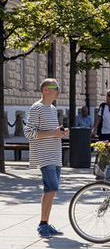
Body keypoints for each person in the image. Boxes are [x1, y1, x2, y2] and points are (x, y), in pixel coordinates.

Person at [24, 78, 68, 238]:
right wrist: (53, 133)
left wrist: (61, 133)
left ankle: (45, 223)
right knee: (52, 188)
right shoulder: (37, 108)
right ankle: (43, 225)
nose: (58, 91)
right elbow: (28, 133)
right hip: (44, 155)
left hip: (56, 155)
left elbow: (52, 131)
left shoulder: (52, 109)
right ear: (45, 90)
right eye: (55, 88)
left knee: (51, 190)